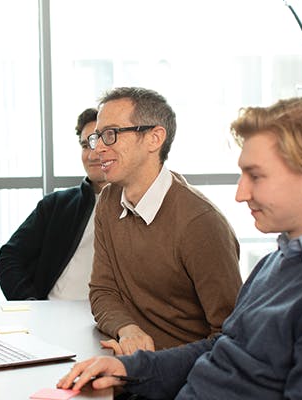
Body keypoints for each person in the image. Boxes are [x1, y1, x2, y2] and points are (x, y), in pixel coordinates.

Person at [58, 96, 302, 399]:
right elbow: (221, 348)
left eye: (256, 176)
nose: (240, 193)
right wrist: (129, 369)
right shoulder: (277, 262)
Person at [88, 87, 241, 354]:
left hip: (183, 377)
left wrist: (154, 369)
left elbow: (231, 335)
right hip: (129, 361)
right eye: (97, 137)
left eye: (111, 134)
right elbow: (103, 291)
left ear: (154, 138)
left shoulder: (200, 222)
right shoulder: (108, 201)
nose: (98, 149)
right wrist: (128, 329)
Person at [0, 108, 107, 300]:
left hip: (113, 321)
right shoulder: (57, 205)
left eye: (98, 144)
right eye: (85, 146)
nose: (91, 155)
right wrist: (32, 305)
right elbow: (7, 259)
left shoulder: (136, 206)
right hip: (53, 316)